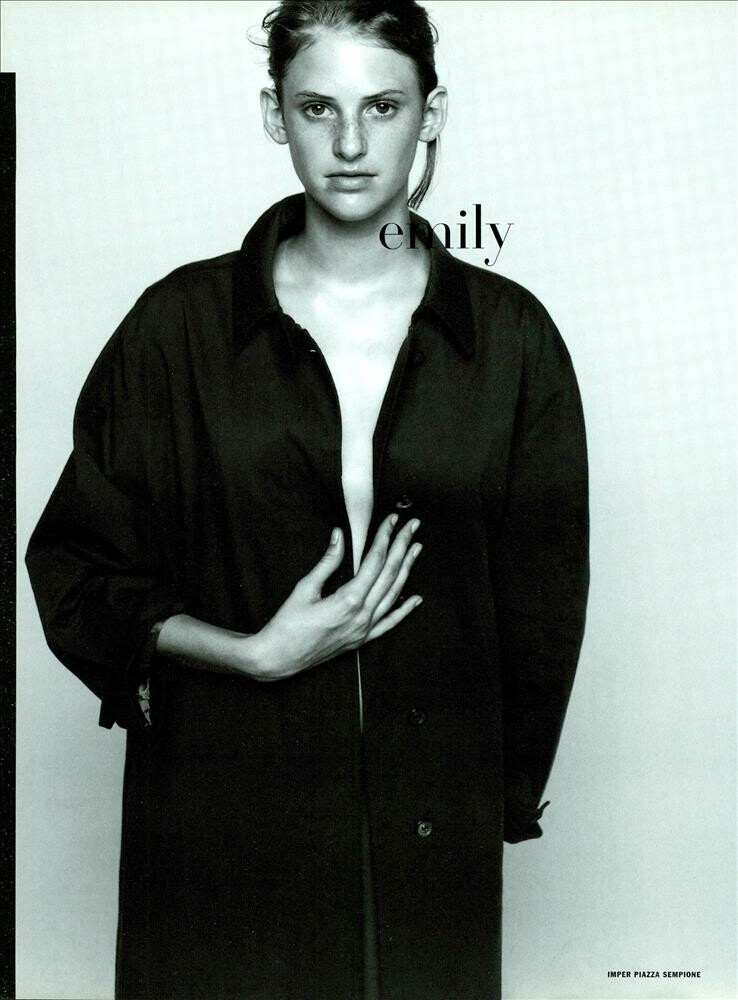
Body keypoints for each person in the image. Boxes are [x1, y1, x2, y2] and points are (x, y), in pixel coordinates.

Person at [25, 1, 589, 998]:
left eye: (384, 106)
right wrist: (250, 653)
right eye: (317, 107)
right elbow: (74, 566)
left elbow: (542, 608)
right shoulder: (177, 329)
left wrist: (493, 795)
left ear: (432, 113)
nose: (352, 144)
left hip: (428, 832)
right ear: (273, 115)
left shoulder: (511, 342)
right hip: (222, 819)